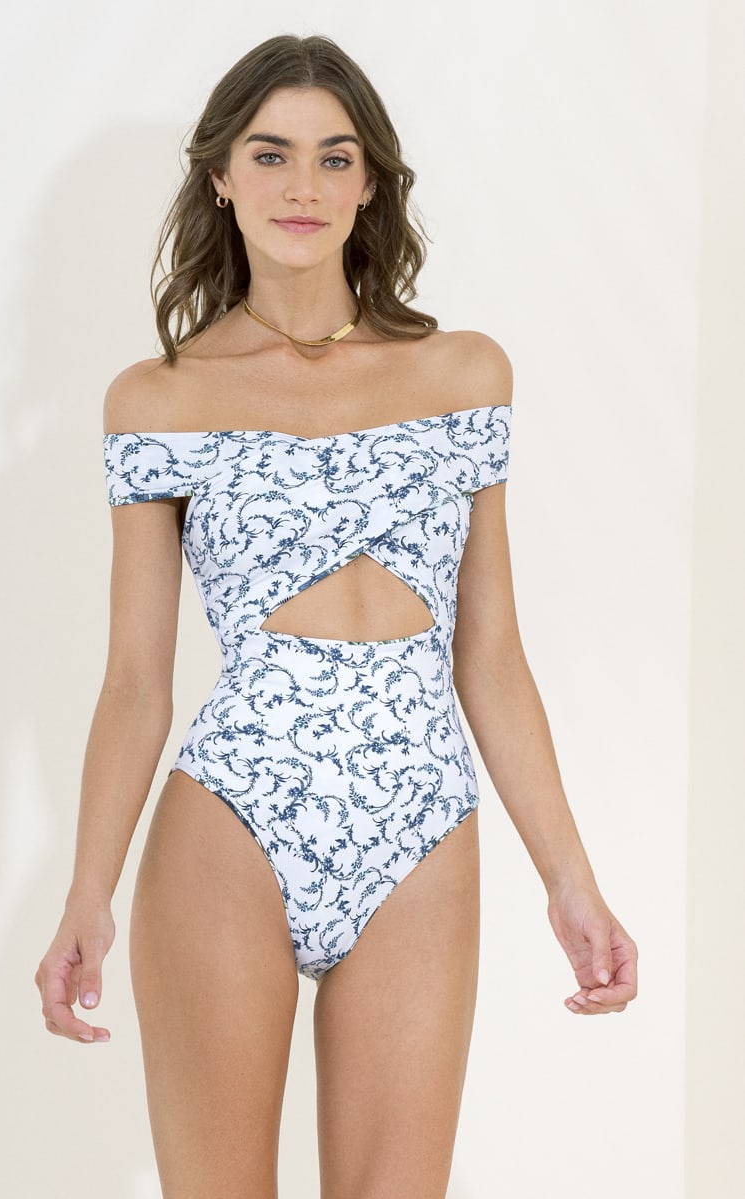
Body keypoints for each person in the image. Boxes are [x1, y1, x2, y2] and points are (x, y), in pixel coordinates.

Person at [35, 33, 638, 1199]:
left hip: (420, 822)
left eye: (332, 157)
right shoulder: (158, 399)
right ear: (221, 176)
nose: (300, 186)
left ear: (369, 182)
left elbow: (490, 654)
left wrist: (569, 879)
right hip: (232, 816)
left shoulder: (462, 374)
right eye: (269, 155)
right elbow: (135, 682)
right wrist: (85, 894)